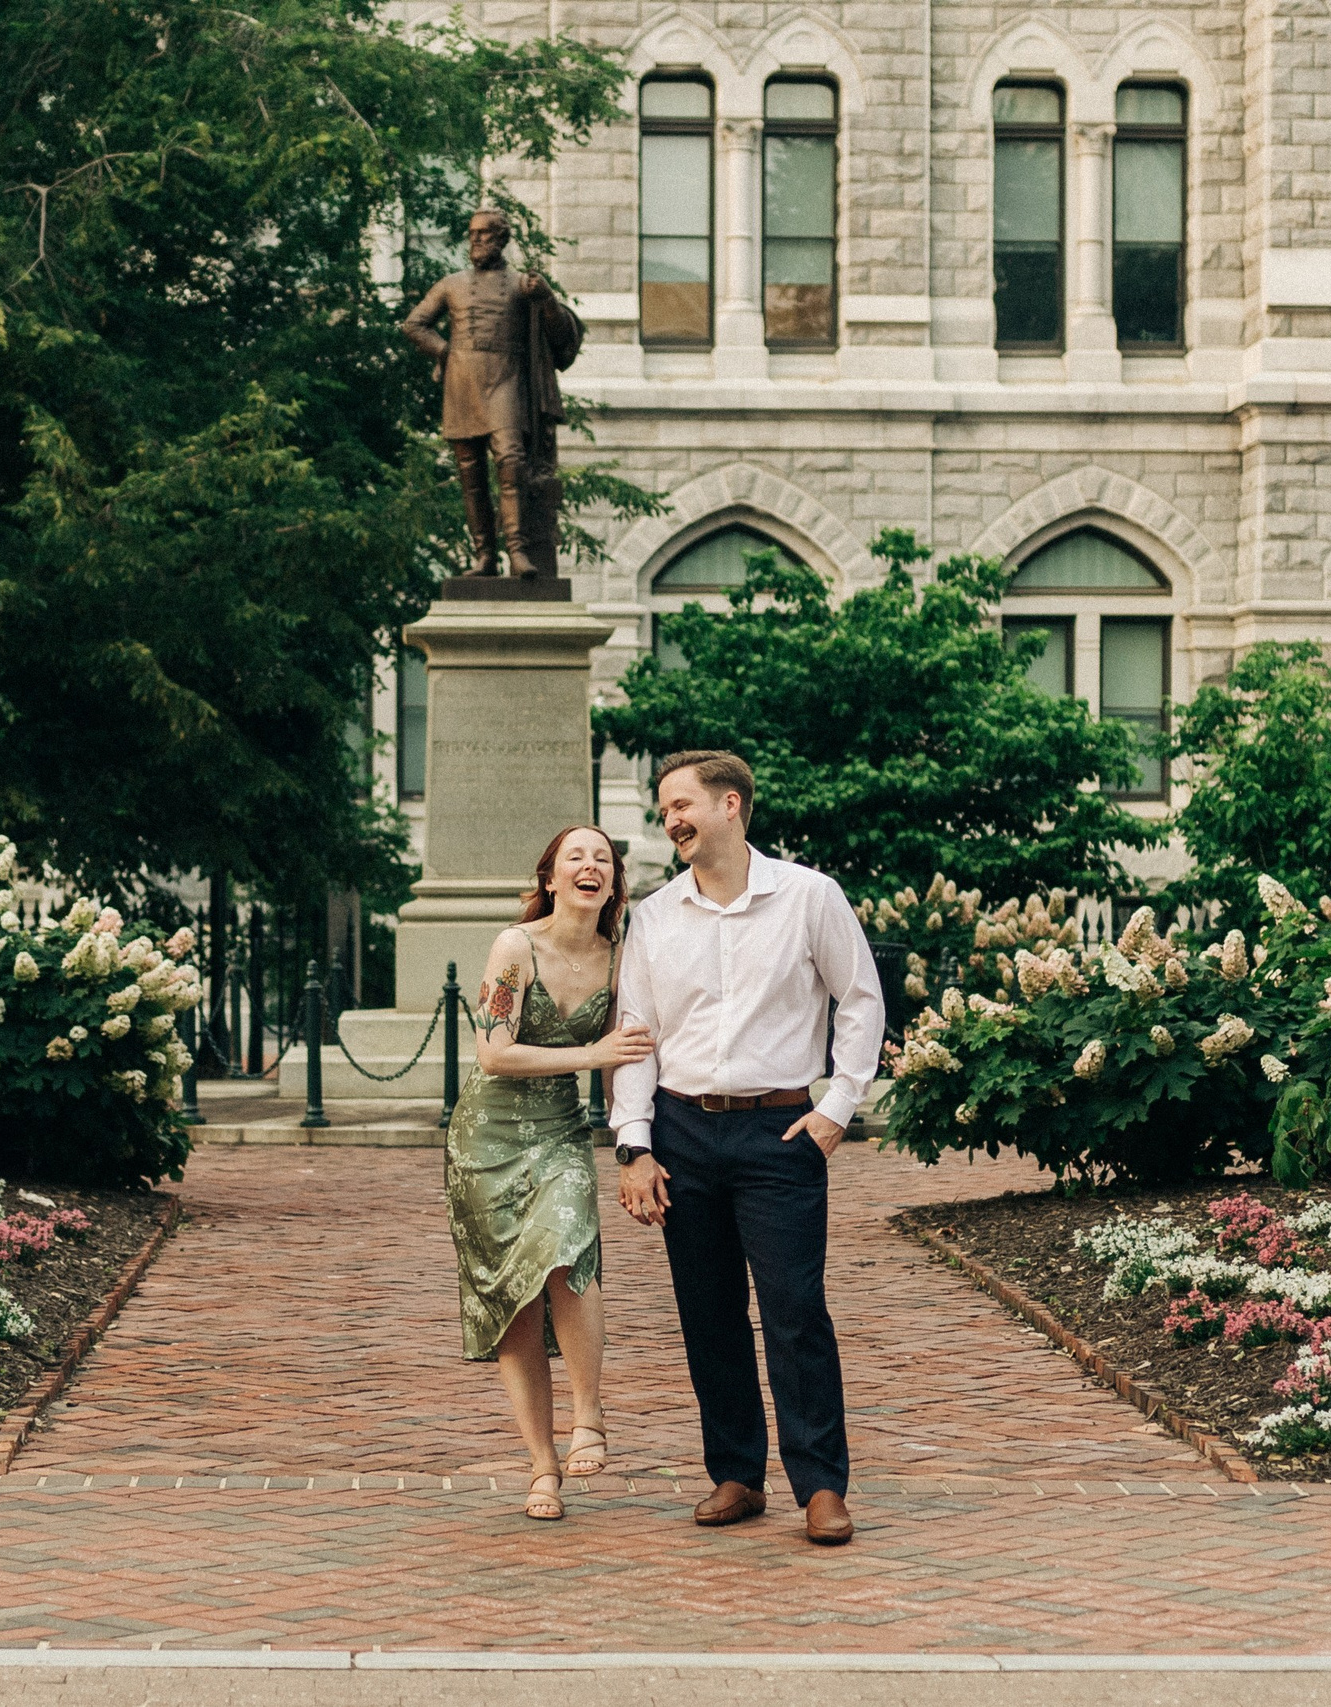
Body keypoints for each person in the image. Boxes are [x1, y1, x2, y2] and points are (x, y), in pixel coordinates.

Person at [609, 751, 885, 1546]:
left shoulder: (808, 896)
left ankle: (822, 1484)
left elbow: (861, 998)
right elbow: (638, 1038)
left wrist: (837, 1105)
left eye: (682, 804)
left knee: (796, 1310)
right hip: (683, 1130)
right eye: (664, 809)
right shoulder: (656, 918)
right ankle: (736, 1471)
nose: (672, 820)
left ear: (732, 804)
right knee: (708, 1311)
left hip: (780, 1130)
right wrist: (635, 1146)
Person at [447, 824, 654, 1520]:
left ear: (613, 883)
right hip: (488, 1138)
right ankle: (541, 1467)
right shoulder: (516, 946)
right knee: (514, 1297)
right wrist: (591, 1056)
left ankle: (589, 1416)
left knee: (569, 1254)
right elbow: (493, 1054)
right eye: (577, 857)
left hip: (563, 1133)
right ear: (551, 878)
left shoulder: (621, 957)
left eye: (604, 859)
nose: (590, 866)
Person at [399, 208, 584, 579]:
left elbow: (564, 335)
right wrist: (445, 352)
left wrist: (546, 299)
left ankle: (517, 551)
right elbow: (414, 324)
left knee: (511, 461)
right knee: (470, 472)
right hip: (462, 381)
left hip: (506, 378)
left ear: (502, 239)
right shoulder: (451, 284)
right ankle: (485, 556)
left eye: (484, 234)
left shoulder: (522, 284)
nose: (476, 241)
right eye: (472, 235)